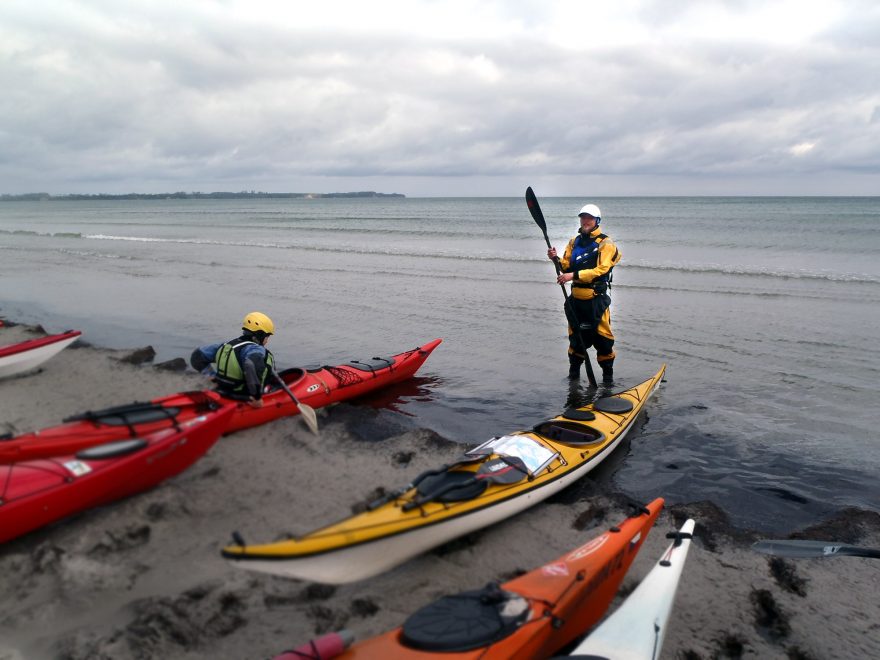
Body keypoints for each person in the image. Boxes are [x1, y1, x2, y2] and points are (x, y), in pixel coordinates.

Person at [547, 204, 621, 383]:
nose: (586, 221)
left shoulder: (606, 243)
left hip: (596, 300)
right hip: (576, 300)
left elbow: (602, 269)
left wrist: (573, 275)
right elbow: (566, 267)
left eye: (590, 218)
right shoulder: (574, 242)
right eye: (583, 217)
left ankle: (608, 382)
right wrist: (555, 259)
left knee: (603, 340)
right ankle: (573, 381)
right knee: (576, 341)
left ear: (597, 221)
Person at [190, 312, 276, 408]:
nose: (267, 341)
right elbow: (250, 364)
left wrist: (211, 376)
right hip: (243, 397)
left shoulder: (225, 346)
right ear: (260, 334)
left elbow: (197, 356)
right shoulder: (256, 349)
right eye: (267, 336)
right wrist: (257, 397)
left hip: (221, 391)